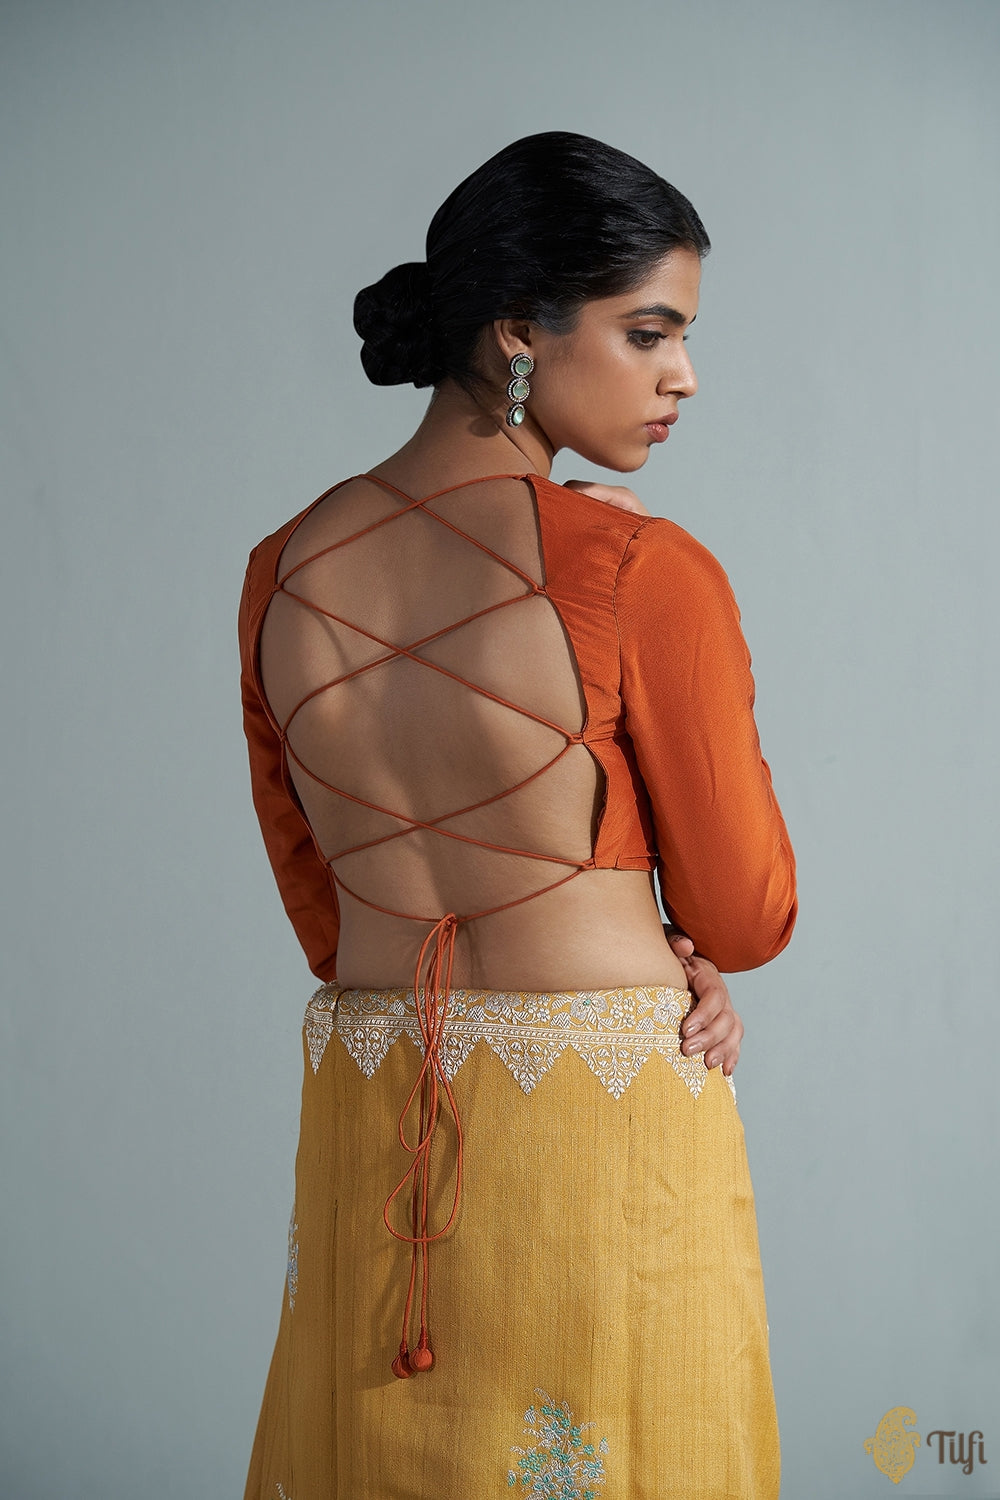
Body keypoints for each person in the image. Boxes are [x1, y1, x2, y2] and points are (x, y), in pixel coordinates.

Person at [239, 130, 797, 1500]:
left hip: (377, 1110)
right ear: (516, 332)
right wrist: (683, 948)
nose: (683, 376)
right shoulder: (635, 566)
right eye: (649, 332)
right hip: (596, 1132)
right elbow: (747, 912)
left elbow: (323, 910)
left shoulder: (282, 569)